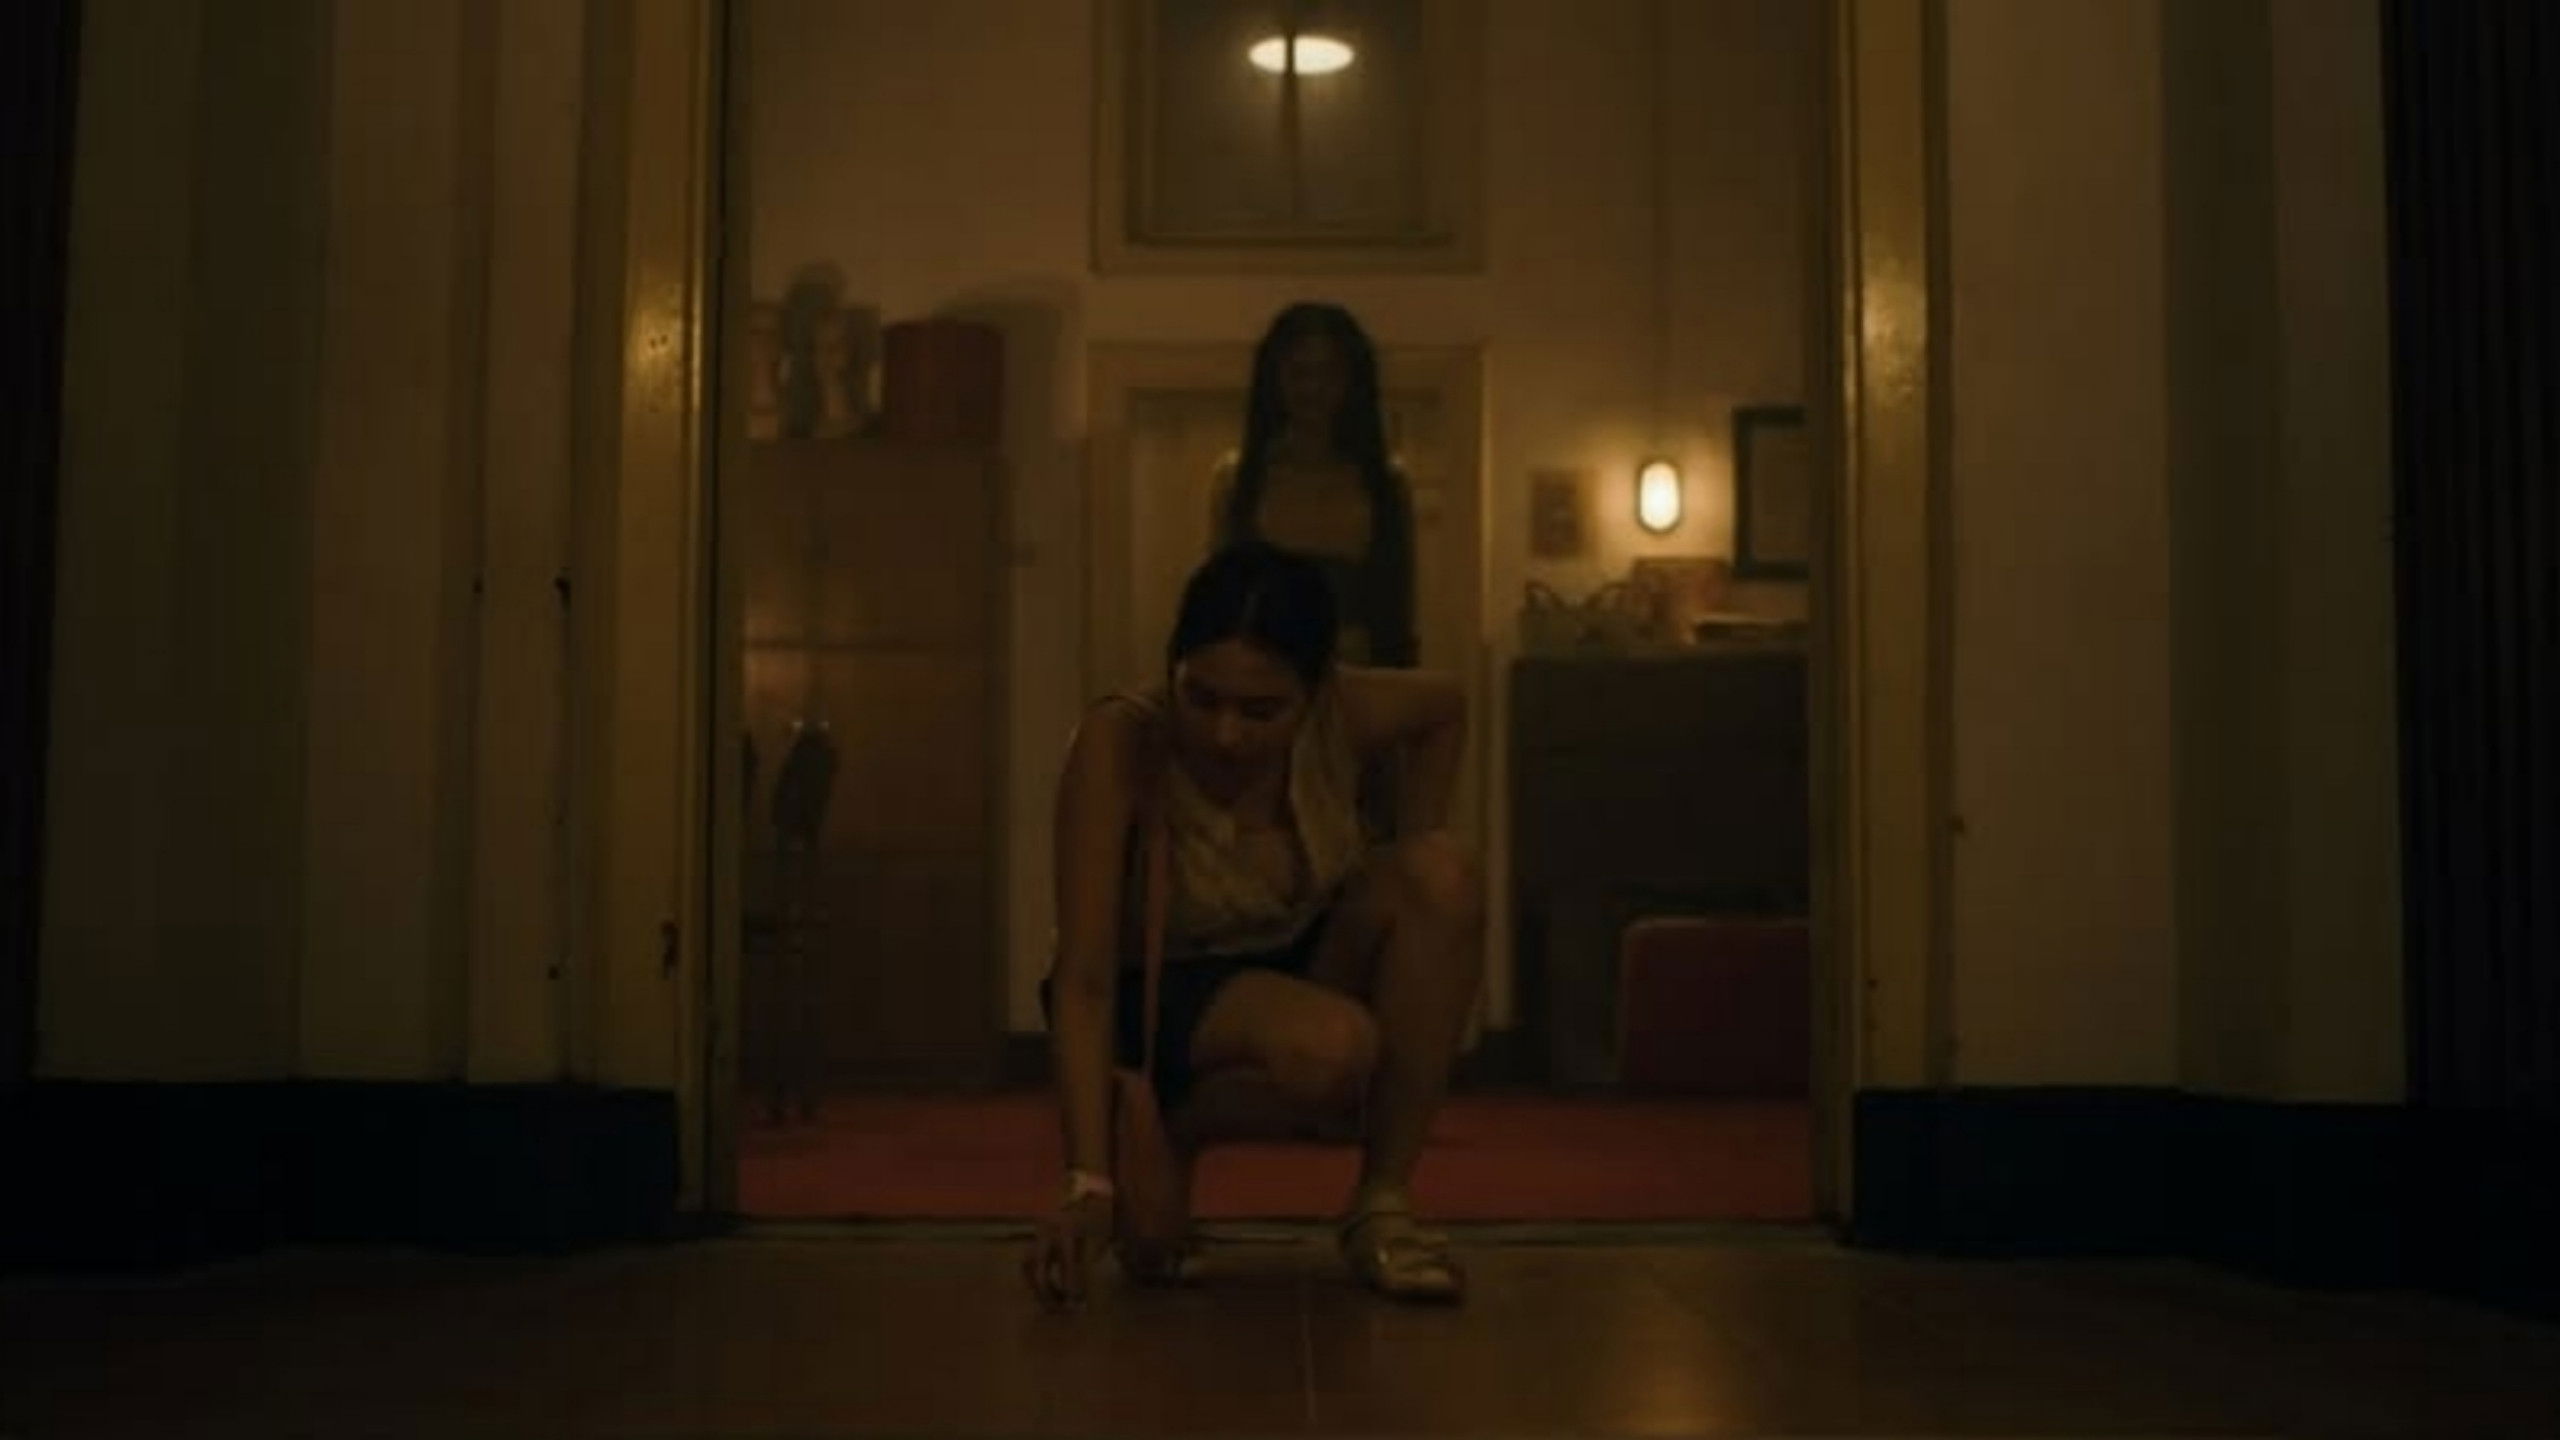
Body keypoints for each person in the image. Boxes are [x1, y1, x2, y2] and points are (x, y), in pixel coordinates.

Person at [1025, 542, 1483, 1309]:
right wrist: (1089, 1181)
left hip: (1296, 951)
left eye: (1260, 710)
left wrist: (1406, 840)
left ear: (1314, 693)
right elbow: (1084, 977)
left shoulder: (1340, 716)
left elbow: (1444, 704)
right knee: (1334, 1048)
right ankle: (1176, 1124)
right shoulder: (1123, 741)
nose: (1226, 734)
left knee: (1443, 873)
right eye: (1201, 698)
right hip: (1165, 988)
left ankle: (1381, 1205)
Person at [1210, 302, 1419, 670]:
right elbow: (1218, 603)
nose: (1313, 388)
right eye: (1299, 373)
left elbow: (1398, 603)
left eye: (1329, 373)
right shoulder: (1238, 479)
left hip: (1355, 673)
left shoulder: (1385, 482)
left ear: (1351, 382)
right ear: (1275, 379)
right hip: (1263, 671)